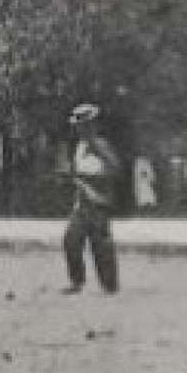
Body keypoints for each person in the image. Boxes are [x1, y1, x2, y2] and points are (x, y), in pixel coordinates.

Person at [62, 103, 120, 295]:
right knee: (71, 240)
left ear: (92, 125)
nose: (80, 129)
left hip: (98, 201)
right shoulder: (80, 146)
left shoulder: (100, 145)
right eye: (78, 126)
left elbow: (114, 169)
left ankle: (109, 285)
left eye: (84, 125)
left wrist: (88, 177)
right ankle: (77, 281)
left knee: (101, 245)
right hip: (82, 201)